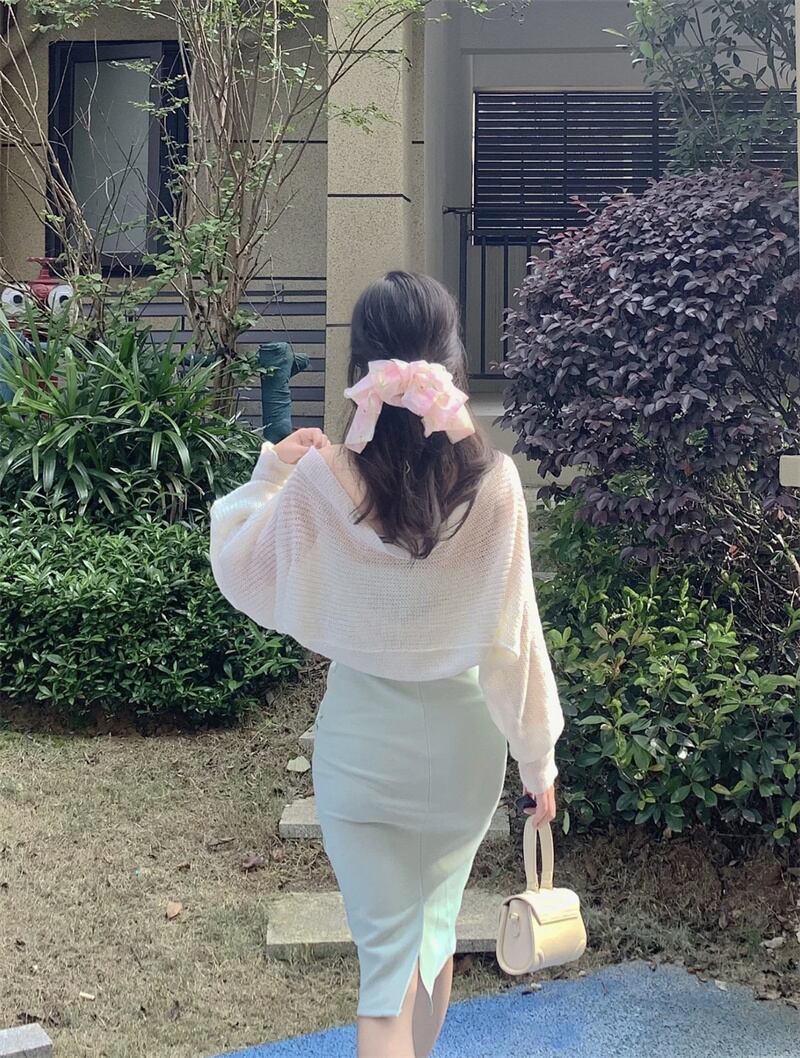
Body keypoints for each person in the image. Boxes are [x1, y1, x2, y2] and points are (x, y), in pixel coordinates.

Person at [210, 270, 564, 1058]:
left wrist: (269, 475)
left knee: (385, 973)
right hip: (462, 752)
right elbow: (516, 640)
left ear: (359, 367)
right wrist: (537, 759)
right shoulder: (496, 484)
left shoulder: (321, 478)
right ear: (453, 362)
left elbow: (239, 564)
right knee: (434, 933)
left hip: (362, 745)